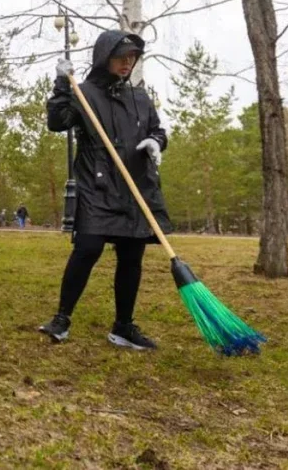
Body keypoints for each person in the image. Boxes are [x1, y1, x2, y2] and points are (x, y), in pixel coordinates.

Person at [38, 30, 171, 351]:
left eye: (132, 58)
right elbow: (57, 122)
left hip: (135, 185)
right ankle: (62, 318)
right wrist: (60, 83)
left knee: (131, 257)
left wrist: (157, 142)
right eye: (120, 57)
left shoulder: (139, 97)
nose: (127, 63)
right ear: (103, 57)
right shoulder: (83, 93)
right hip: (97, 186)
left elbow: (157, 128)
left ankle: (123, 327)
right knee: (87, 249)